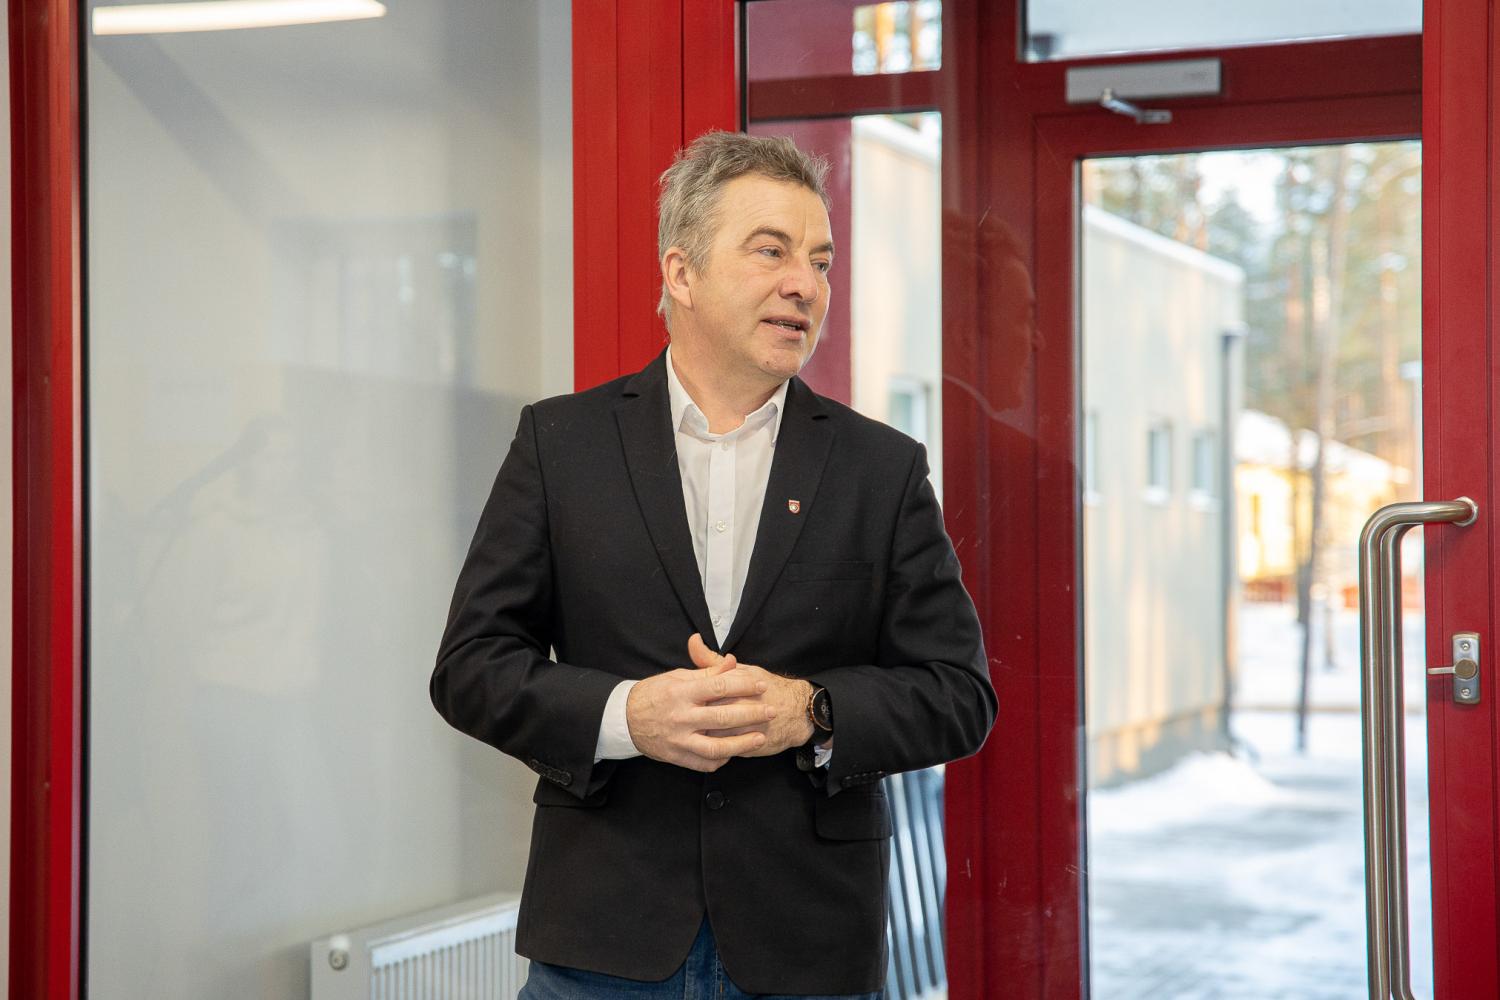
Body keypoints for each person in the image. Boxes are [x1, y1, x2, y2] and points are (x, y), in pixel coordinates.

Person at [431, 130, 995, 999]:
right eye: (771, 251)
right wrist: (627, 716)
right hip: (602, 944)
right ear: (682, 273)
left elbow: (959, 694)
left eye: (820, 261)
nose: (805, 284)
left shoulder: (881, 470)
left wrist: (811, 711)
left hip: (807, 948)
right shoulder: (560, 444)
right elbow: (471, 668)